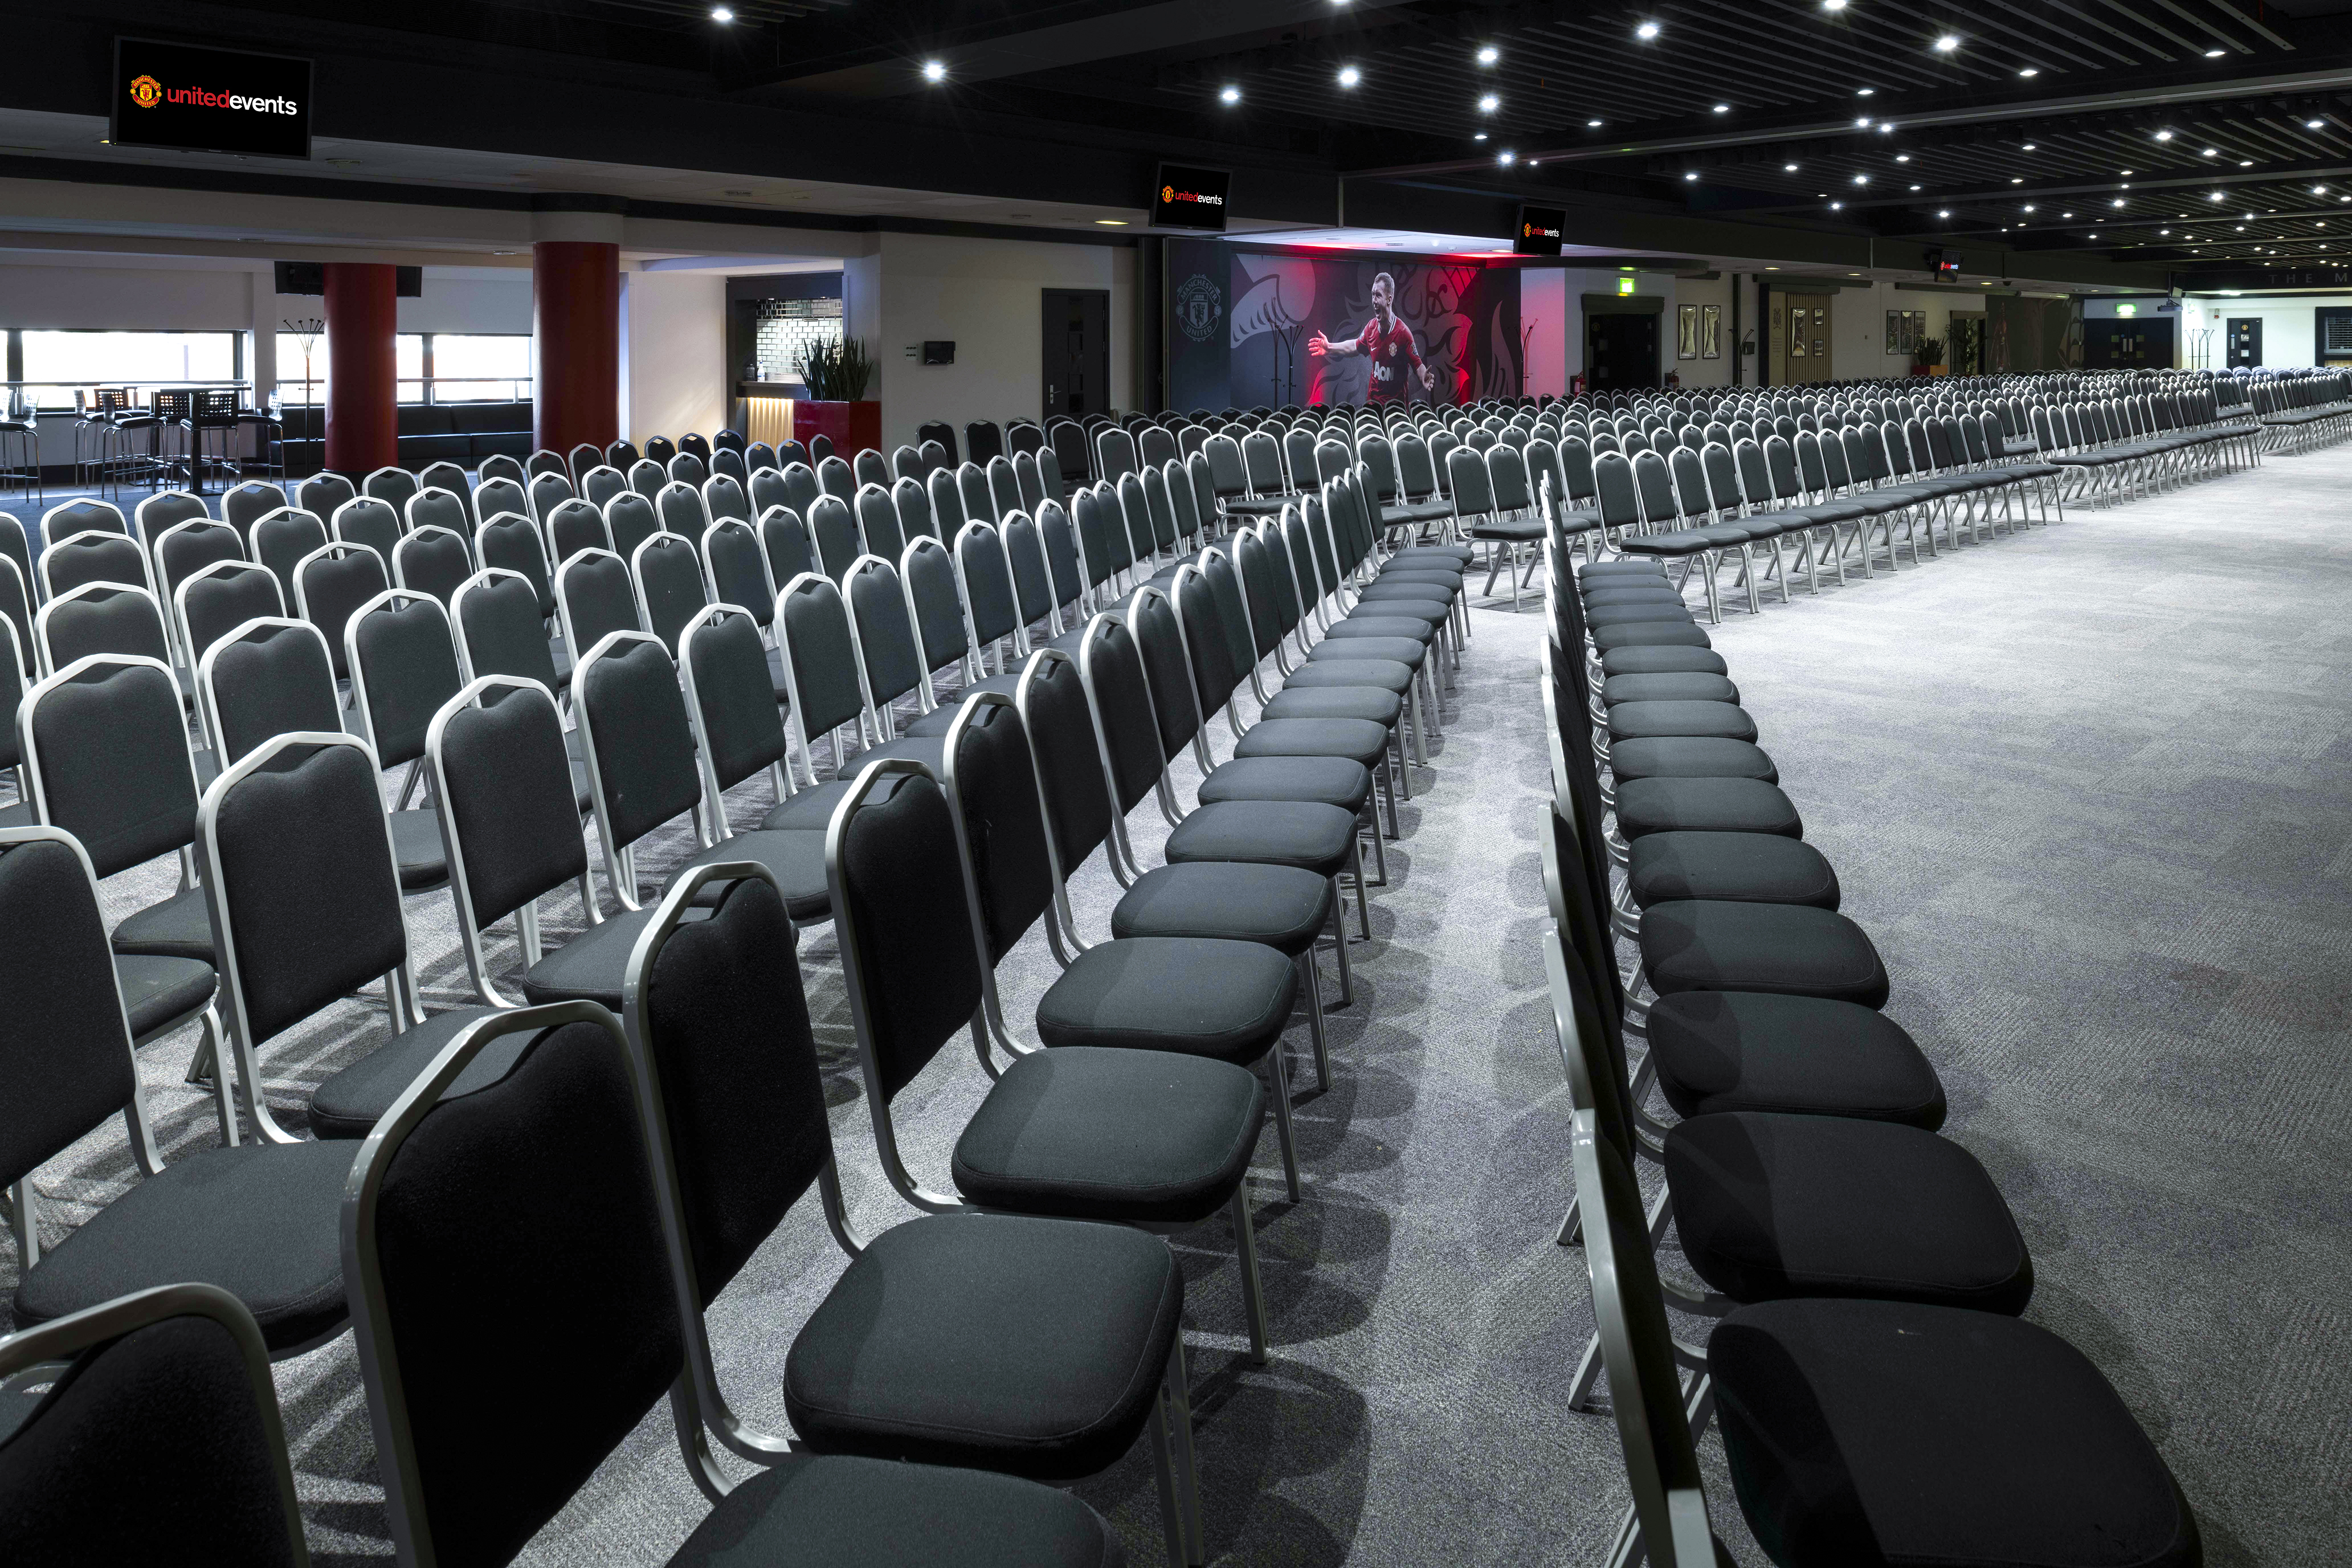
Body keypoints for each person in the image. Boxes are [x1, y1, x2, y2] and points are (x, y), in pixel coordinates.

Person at [1307, 271, 1436, 404]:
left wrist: (1424, 377)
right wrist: (1329, 348)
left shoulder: (1403, 333)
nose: (1374, 300)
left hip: (1397, 410)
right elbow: (1354, 346)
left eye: (1378, 295)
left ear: (1389, 300)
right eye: (1373, 295)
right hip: (1373, 407)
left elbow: (1417, 365)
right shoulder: (1371, 328)